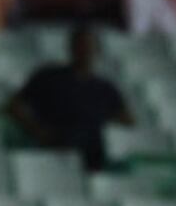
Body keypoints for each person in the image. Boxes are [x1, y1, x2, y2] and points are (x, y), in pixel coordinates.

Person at [8, 23, 132, 172]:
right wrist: (37, 131)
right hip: (57, 146)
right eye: (80, 46)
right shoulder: (49, 77)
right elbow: (14, 106)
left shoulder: (106, 88)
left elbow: (127, 121)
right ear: (71, 48)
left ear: (97, 50)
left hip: (94, 152)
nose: (85, 51)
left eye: (89, 46)